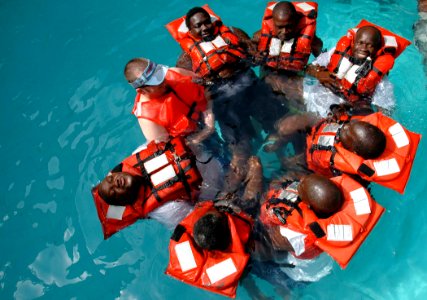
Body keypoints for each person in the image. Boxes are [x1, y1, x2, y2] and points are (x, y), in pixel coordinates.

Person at [165, 156, 264, 298]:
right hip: (244, 211)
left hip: (224, 241)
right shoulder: (235, 246)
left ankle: (256, 294)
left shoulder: (194, 246)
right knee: (255, 164)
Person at [270, 108, 421, 194]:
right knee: (284, 127)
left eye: (349, 134)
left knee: (285, 172)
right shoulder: (360, 123)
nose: (346, 127)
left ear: (354, 151)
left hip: (312, 164)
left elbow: (329, 185)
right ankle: (279, 139)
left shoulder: (348, 170)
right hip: (316, 132)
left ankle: (284, 161)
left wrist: (294, 162)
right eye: (350, 126)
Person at [259, 174, 384, 274]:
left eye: (299, 188)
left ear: (306, 205)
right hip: (330, 245)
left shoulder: (294, 235)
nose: (298, 184)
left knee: (263, 259)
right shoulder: (329, 200)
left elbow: (273, 243)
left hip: (306, 268)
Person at [92, 137, 203, 239]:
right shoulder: (165, 210)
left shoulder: (139, 153)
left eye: (110, 179)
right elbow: (199, 219)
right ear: (123, 203)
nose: (115, 183)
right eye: (113, 192)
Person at [305, 20, 411, 116]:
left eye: (370, 45)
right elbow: (309, 67)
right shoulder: (336, 53)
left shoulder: (379, 77)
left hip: (346, 109)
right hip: (318, 96)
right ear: (353, 43)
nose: (363, 48)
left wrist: (356, 107)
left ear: (378, 50)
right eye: (360, 43)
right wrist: (319, 74)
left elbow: (386, 110)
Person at [124, 57, 215, 146]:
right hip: (194, 140)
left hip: (208, 113)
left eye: (162, 76)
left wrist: (209, 109)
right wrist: (205, 132)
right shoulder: (148, 121)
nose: (165, 83)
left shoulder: (175, 73)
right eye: (158, 84)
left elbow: (205, 86)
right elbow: (174, 150)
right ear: (142, 91)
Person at [252, 1, 323, 107]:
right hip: (269, 75)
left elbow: (321, 60)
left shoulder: (312, 41)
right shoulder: (260, 36)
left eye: (289, 26)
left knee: (302, 104)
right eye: (280, 27)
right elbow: (250, 54)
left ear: (296, 22)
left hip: (294, 78)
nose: (285, 31)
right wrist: (255, 55)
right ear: (273, 23)